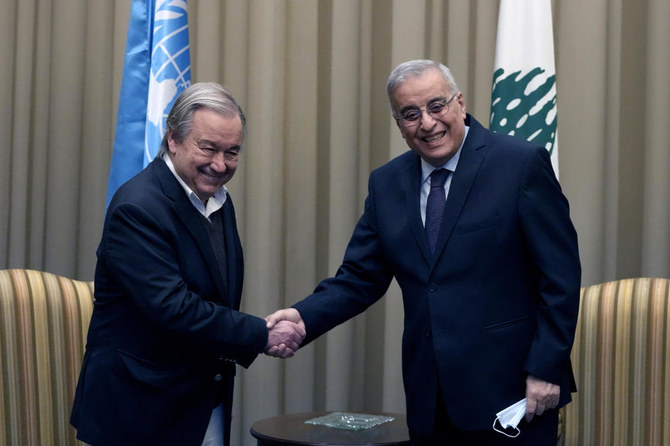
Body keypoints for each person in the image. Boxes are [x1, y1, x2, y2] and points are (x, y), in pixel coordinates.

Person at [266, 60, 581, 445]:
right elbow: (359, 278)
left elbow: (560, 276)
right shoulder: (387, 183)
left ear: (460, 103)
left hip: (512, 391)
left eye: (437, 106)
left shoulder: (519, 164)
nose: (427, 123)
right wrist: (301, 317)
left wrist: (546, 368)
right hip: (430, 400)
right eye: (410, 114)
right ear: (399, 124)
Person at [71, 82, 305, 446]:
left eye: (232, 152)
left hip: (199, 402)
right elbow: (173, 308)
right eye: (208, 148)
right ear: (173, 139)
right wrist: (261, 333)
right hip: (138, 412)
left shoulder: (216, 199)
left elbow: (216, 295)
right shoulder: (138, 207)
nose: (219, 164)